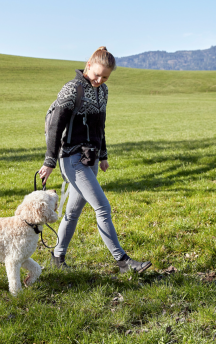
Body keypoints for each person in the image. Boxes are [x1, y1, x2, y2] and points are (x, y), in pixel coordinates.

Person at [38, 46, 152, 273]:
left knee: (72, 213)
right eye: (97, 74)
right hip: (72, 158)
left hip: (91, 158)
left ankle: (57, 258)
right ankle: (123, 261)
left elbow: (100, 126)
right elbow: (55, 127)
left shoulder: (103, 91)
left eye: (105, 76)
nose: (100, 79)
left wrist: (103, 156)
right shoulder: (72, 89)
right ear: (88, 66)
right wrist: (49, 161)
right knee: (102, 207)